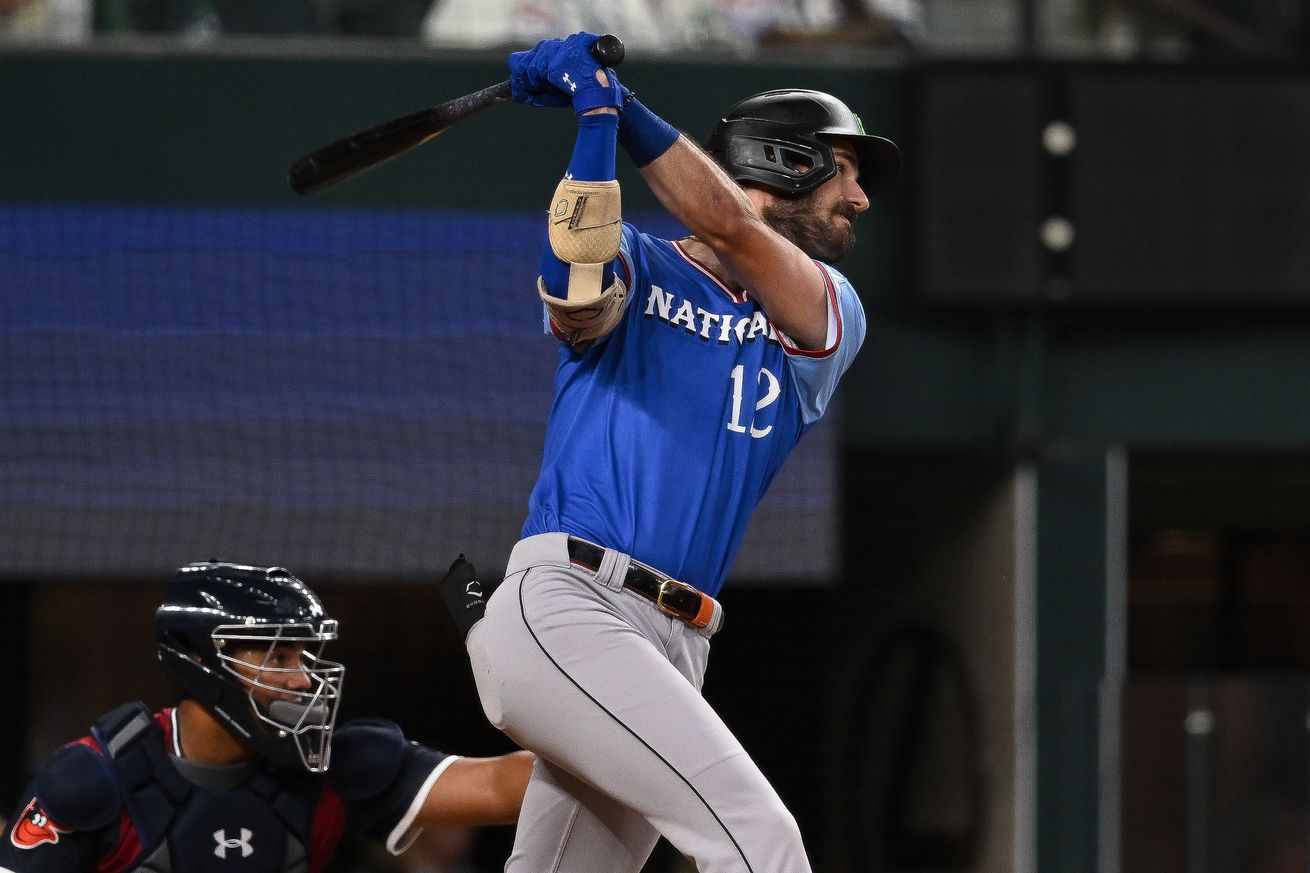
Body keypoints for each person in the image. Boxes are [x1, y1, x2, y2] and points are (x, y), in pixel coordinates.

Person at [459, 31, 901, 873]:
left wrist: (616, 104)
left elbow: (731, 225)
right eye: (845, 169)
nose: (861, 197)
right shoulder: (646, 263)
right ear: (788, 162)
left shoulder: (829, 309)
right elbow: (578, 287)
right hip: (571, 605)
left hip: (675, 641)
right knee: (761, 842)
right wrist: (595, 123)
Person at [0, 559, 530, 873]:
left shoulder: (341, 768)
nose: (301, 680)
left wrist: (607, 737)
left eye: (305, 658)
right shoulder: (94, 780)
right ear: (200, 660)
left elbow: (504, 788)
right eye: (276, 657)